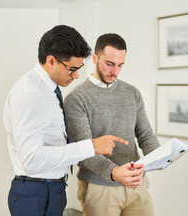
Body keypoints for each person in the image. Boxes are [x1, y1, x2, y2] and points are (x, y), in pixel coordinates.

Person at [3, 25, 128, 216]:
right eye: (72, 69)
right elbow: (31, 160)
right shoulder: (31, 94)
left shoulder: (49, 88)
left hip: (50, 189)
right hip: (36, 192)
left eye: (79, 69)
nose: (76, 75)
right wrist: (91, 146)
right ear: (51, 61)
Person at [64, 33, 160, 216]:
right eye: (109, 64)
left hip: (136, 185)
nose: (115, 71)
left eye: (120, 65)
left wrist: (159, 156)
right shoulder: (76, 99)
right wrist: (114, 172)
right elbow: (82, 150)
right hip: (99, 188)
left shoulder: (132, 93)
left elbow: (145, 134)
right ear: (94, 58)